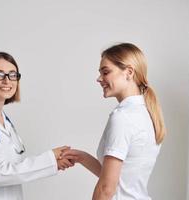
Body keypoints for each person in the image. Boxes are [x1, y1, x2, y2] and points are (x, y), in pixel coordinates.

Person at [0, 52, 73, 200]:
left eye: (12, 75)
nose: (7, 80)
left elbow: (15, 170)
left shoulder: (5, 122)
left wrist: (54, 164)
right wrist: (50, 158)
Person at [62, 43, 166, 200]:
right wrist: (81, 157)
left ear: (129, 72)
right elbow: (119, 178)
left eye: (106, 72)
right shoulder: (147, 112)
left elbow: (106, 188)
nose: (99, 79)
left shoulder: (123, 117)